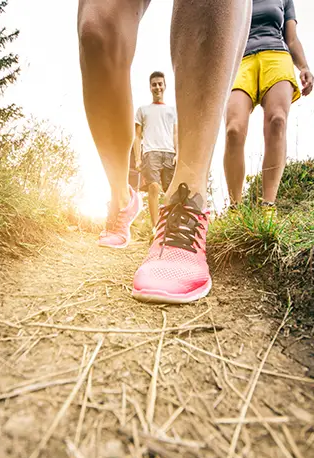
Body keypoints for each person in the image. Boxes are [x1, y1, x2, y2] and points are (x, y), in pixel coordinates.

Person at [78, 0, 251, 303]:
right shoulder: (145, 109)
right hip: (148, 154)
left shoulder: (168, 109)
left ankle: (187, 203)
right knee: (96, 29)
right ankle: (121, 198)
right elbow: (138, 131)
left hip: (170, 155)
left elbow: (172, 130)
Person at [223, 0, 314, 209]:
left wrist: (304, 66)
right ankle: (235, 207)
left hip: (276, 56)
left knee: (277, 121)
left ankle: (268, 205)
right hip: (239, 61)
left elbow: (291, 39)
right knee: (233, 130)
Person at [134, 71, 177, 229]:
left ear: (165, 86)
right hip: (150, 153)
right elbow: (137, 136)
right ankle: (155, 229)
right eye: (154, 84)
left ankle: (170, 228)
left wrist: (178, 153)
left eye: (160, 84)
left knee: (170, 192)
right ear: (150, 87)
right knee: (153, 187)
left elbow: (175, 133)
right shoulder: (142, 110)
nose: (157, 87)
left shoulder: (172, 110)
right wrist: (138, 159)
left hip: (169, 153)